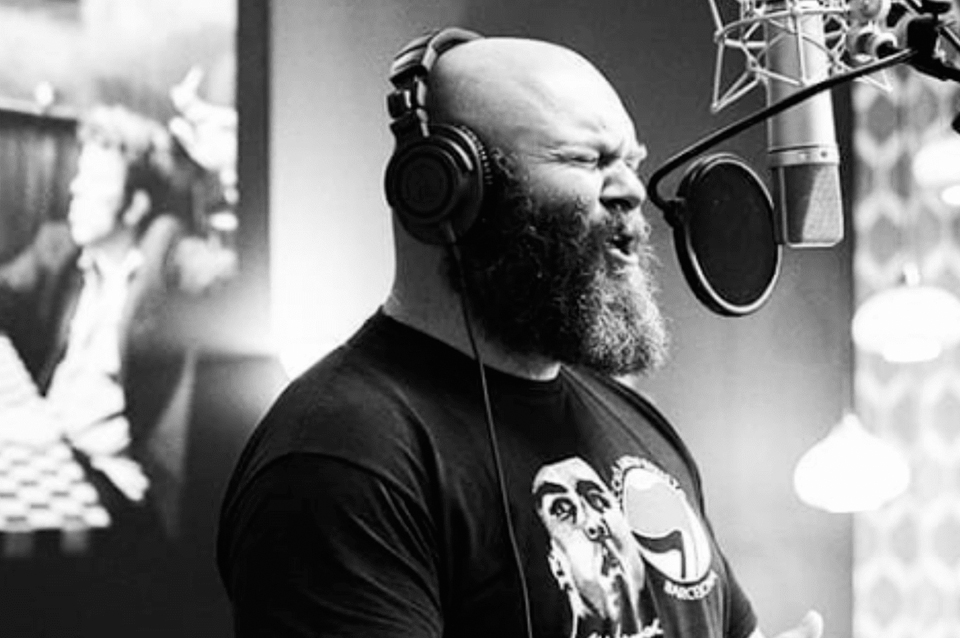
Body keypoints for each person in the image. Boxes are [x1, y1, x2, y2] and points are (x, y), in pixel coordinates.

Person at [217, 28, 825, 638]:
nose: (632, 191)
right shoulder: (343, 461)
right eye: (587, 160)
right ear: (448, 190)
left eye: (631, 162)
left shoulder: (636, 426)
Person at [0, 103, 233, 539]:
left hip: (117, 487)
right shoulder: (63, 250)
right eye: (79, 176)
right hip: (54, 451)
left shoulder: (166, 257)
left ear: (134, 206)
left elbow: (228, 274)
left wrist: (226, 173)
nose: (76, 189)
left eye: (94, 182)